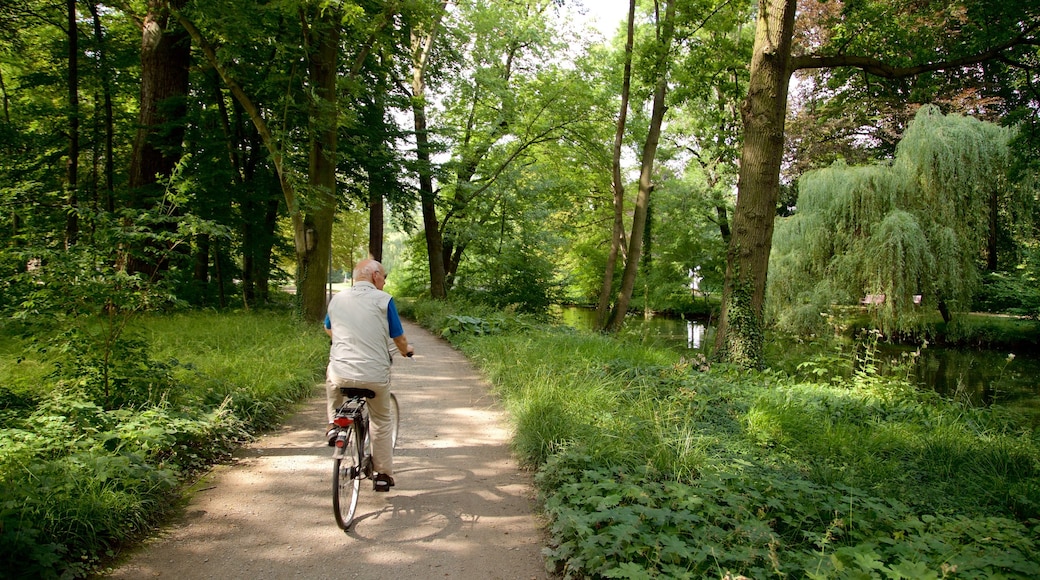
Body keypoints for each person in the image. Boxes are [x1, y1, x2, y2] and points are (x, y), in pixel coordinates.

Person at [324, 258, 413, 492]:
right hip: (373, 375)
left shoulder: (337, 299)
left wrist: (345, 340)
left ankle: (334, 423)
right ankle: (382, 474)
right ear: (374, 276)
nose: (384, 281)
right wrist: (407, 351)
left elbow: (328, 326)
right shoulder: (384, 300)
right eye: (384, 276)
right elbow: (399, 339)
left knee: (332, 375)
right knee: (381, 420)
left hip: (341, 373)